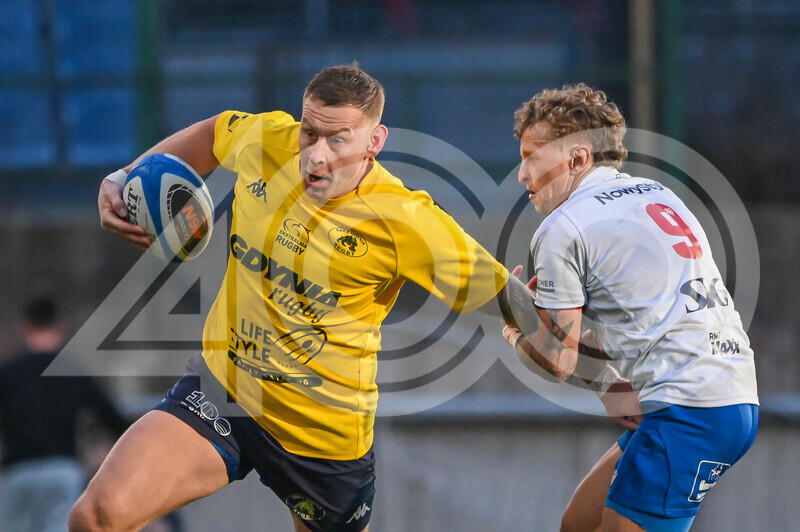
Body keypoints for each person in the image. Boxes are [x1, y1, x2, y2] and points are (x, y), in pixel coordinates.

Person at [70, 63, 560, 532]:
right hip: (224, 393)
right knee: (94, 518)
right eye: (310, 133)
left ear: (374, 142)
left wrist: (560, 343)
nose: (316, 155)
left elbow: (505, 295)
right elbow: (213, 132)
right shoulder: (267, 141)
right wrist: (123, 177)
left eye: (337, 139)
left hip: (323, 442)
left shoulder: (407, 220)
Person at [500, 83, 759, 531]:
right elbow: (634, 321)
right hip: (726, 397)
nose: (522, 174)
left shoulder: (563, 227)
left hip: (688, 410)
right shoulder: (656, 192)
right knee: (578, 524)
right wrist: (608, 386)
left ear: (578, 158)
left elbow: (559, 361)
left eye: (531, 157)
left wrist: (516, 328)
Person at [0, 295, 129, 532]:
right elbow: (113, 420)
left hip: (17, 472)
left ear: (25, 326)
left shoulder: (7, 374)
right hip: (62, 470)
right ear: (60, 326)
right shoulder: (71, 372)